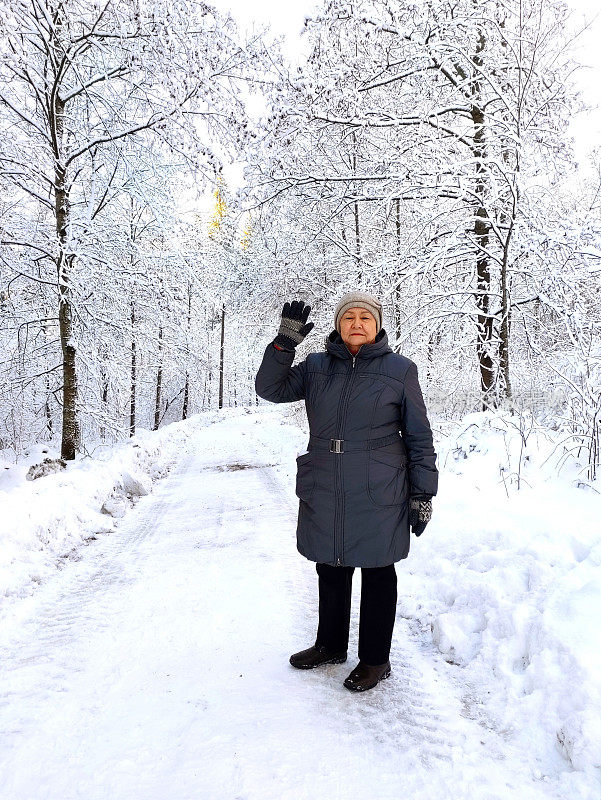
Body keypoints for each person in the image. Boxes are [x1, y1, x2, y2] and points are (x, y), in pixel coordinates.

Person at [254, 291, 438, 692]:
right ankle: (330, 645)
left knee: (377, 570)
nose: (357, 323)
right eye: (349, 316)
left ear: (377, 326)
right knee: (331, 564)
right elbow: (270, 388)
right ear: (339, 325)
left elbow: (420, 437)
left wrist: (423, 492)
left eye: (365, 317)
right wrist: (284, 343)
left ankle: (375, 661)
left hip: (381, 485)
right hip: (327, 480)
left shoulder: (399, 370)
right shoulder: (317, 367)